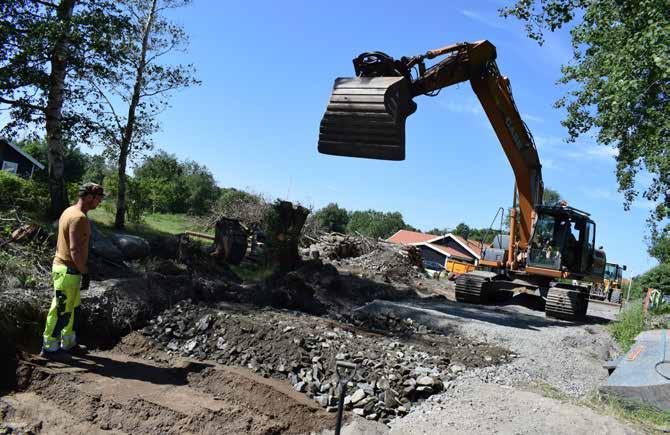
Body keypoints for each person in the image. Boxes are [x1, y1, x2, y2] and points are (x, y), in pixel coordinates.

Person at [41, 183, 105, 356]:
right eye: (98, 199)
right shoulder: (79, 218)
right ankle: (50, 348)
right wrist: (84, 271)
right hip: (68, 270)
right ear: (90, 197)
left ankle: (68, 342)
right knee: (61, 310)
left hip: (70, 270)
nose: (99, 203)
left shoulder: (69, 211)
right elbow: (75, 250)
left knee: (73, 310)